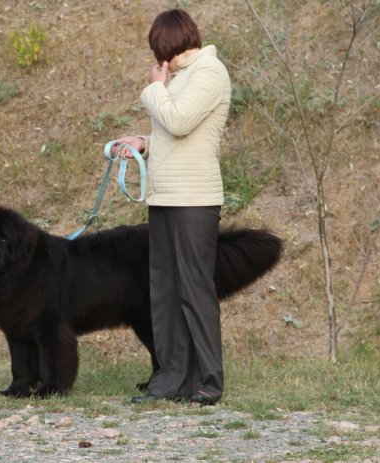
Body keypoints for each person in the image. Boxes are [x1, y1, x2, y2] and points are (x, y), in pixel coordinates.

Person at [114, 9, 232, 406]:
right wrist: (144, 142)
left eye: (157, 49)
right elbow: (171, 131)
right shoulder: (181, 79)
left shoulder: (209, 72)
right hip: (165, 197)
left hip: (194, 200)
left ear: (168, 45)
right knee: (164, 291)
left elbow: (180, 121)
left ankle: (208, 382)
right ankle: (171, 379)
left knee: (195, 290)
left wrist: (154, 88)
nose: (157, 59)